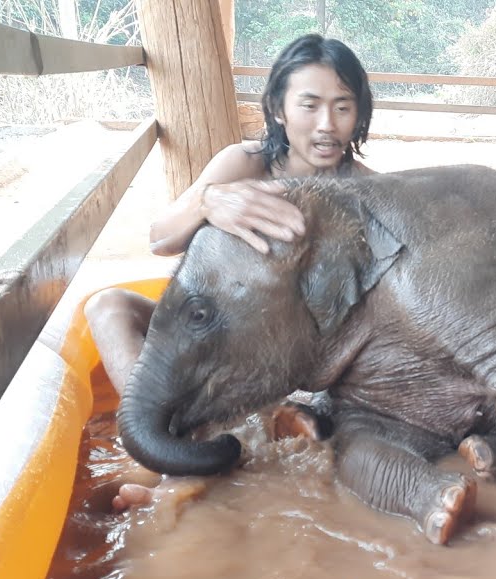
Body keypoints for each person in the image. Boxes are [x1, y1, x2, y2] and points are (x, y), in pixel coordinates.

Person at [85, 34, 375, 506]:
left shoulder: (367, 193)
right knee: (108, 305)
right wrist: (208, 201)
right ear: (279, 110)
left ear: (359, 114)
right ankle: (160, 446)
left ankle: (179, 471)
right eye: (310, 105)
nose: (327, 125)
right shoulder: (243, 164)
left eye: (343, 107)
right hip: (216, 330)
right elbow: (161, 238)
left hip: (295, 357)